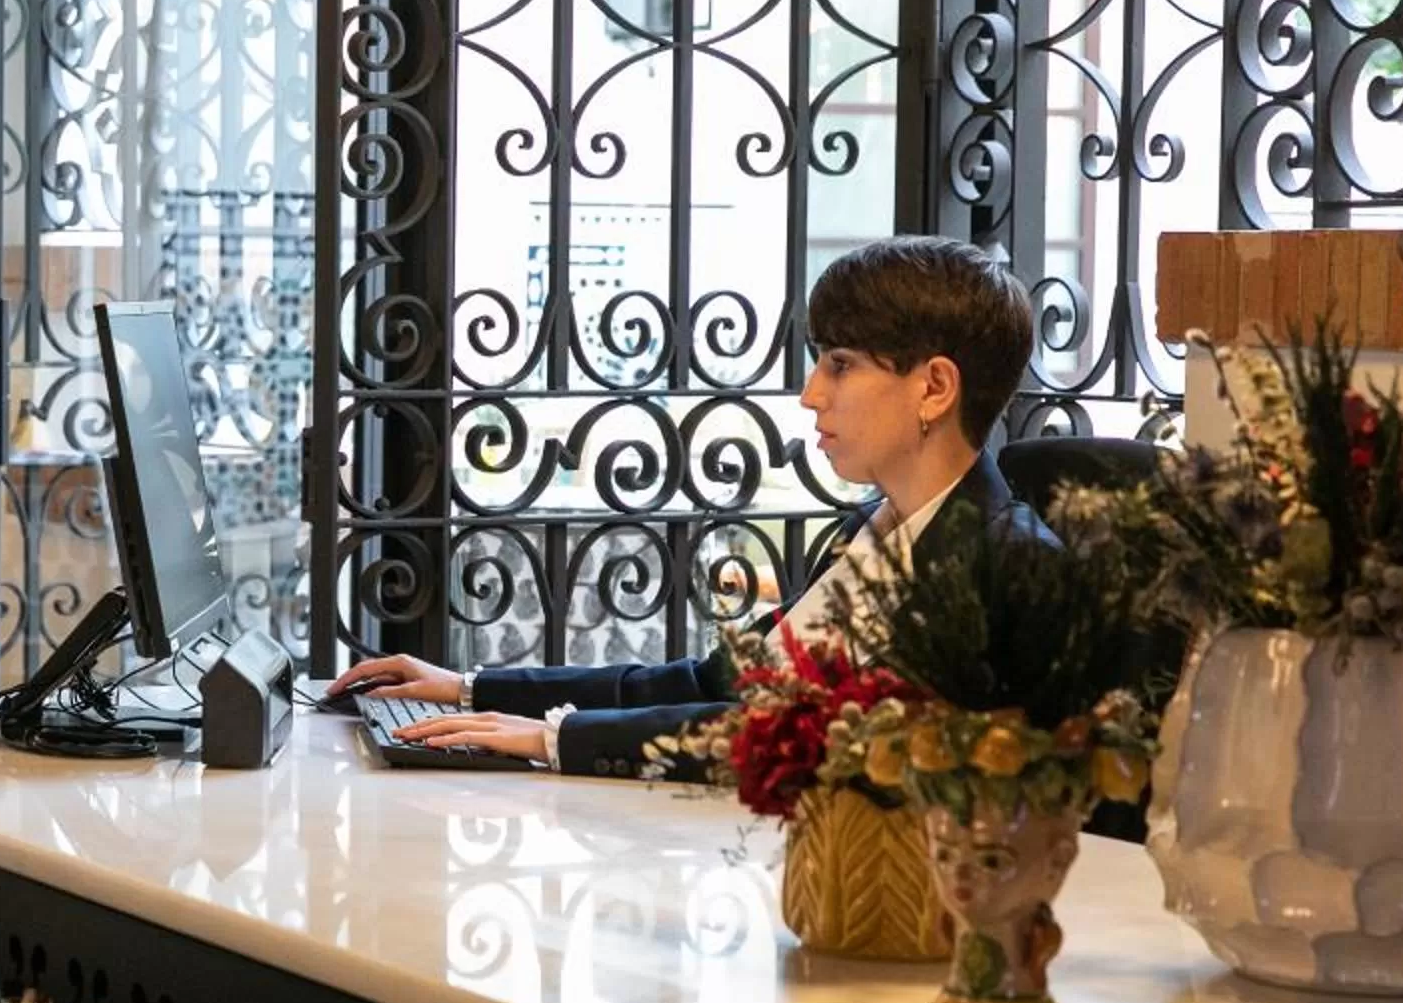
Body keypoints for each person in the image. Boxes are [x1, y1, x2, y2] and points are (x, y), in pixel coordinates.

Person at [327, 236, 1057, 775]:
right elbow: (711, 685)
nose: (810, 393)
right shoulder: (867, 532)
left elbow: (796, 734)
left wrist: (559, 738)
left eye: (841, 365)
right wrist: (470, 688)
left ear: (934, 388)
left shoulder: (1007, 567)